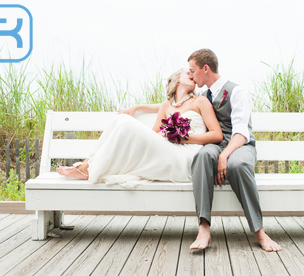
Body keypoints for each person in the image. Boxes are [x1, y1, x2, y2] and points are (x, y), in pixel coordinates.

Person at [122, 49, 280, 252]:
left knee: (238, 165)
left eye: (192, 70)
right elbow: (173, 105)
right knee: (203, 156)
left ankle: (259, 231)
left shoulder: (236, 92)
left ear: (205, 68)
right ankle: (204, 227)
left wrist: (224, 155)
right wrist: (137, 107)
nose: (191, 76)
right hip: (214, 145)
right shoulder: (204, 95)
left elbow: (242, 132)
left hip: (239, 144)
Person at [57, 69, 222, 187]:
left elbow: (217, 135)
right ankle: (87, 164)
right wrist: (162, 131)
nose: (193, 75)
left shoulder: (200, 101)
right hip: (167, 151)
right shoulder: (166, 105)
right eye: (188, 73)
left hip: (187, 157)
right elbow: (154, 133)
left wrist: (185, 138)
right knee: (120, 120)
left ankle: (86, 168)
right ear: (178, 78)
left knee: (124, 121)